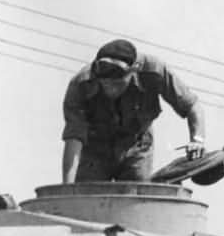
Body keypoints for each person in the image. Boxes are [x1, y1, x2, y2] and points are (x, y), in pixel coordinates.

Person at [61, 38, 206, 183]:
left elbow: (192, 106)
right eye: (105, 84)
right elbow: (74, 138)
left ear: (134, 69)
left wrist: (197, 140)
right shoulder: (80, 85)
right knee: (87, 196)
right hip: (95, 149)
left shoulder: (154, 71)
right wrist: (67, 190)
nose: (110, 89)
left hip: (137, 146)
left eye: (117, 83)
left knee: (136, 197)